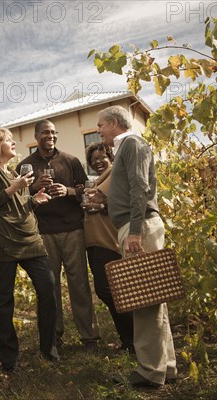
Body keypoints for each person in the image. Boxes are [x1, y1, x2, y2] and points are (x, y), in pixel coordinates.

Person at [97, 105, 177, 388]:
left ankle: (150, 372)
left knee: (143, 300)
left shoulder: (132, 143)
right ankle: (165, 367)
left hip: (138, 228)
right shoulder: (127, 147)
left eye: (101, 125)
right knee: (153, 298)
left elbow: (140, 186)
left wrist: (134, 230)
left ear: (115, 123)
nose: (99, 130)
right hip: (136, 226)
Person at [0, 127, 59, 372]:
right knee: (3, 300)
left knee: (48, 287)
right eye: (9, 140)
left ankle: (48, 348)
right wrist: (14, 187)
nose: (14, 143)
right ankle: (9, 359)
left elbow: (18, 203)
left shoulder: (12, 171)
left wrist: (34, 199)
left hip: (30, 239)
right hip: (3, 241)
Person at [17, 119, 100, 349]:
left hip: (73, 229)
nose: (50, 136)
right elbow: (19, 199)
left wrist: (68, 191)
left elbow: (87, 192)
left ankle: (89, 336)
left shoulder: (70, 160)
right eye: (45, 133)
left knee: (80, 284)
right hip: (43, 233)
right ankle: (53, 336)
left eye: (53, 132)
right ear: (36, 137)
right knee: (49, 287)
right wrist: (34, 188)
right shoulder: (25, 166)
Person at [82, 142, 134, 352]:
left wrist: (101, 207)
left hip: (109, 241)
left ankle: (132, 339)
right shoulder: (97, 182)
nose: (97, 162)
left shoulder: (115, 176)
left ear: (110, 157)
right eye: (93, 160)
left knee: (109, 291)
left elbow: (125, 203)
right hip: (95, 242)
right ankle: (128, 340)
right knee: (110, 292)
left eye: (102, 157)